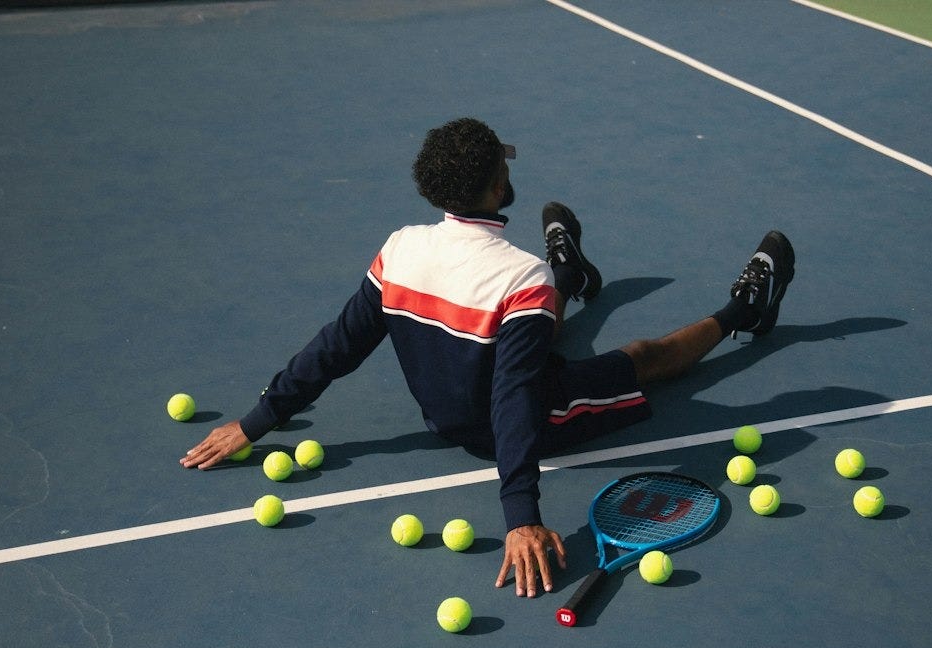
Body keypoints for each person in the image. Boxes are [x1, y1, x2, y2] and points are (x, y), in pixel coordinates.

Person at [181, 117, 795, 598]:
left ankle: (570, 273)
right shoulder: (516, 278)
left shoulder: (400, 250)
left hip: (459, 390)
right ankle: (746, 311)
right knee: (644, 356)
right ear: (497, 187)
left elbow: (337, 346)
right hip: (504, 422)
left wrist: (257, 420)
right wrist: (521, 514)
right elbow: (516, 397)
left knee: (523, 329)